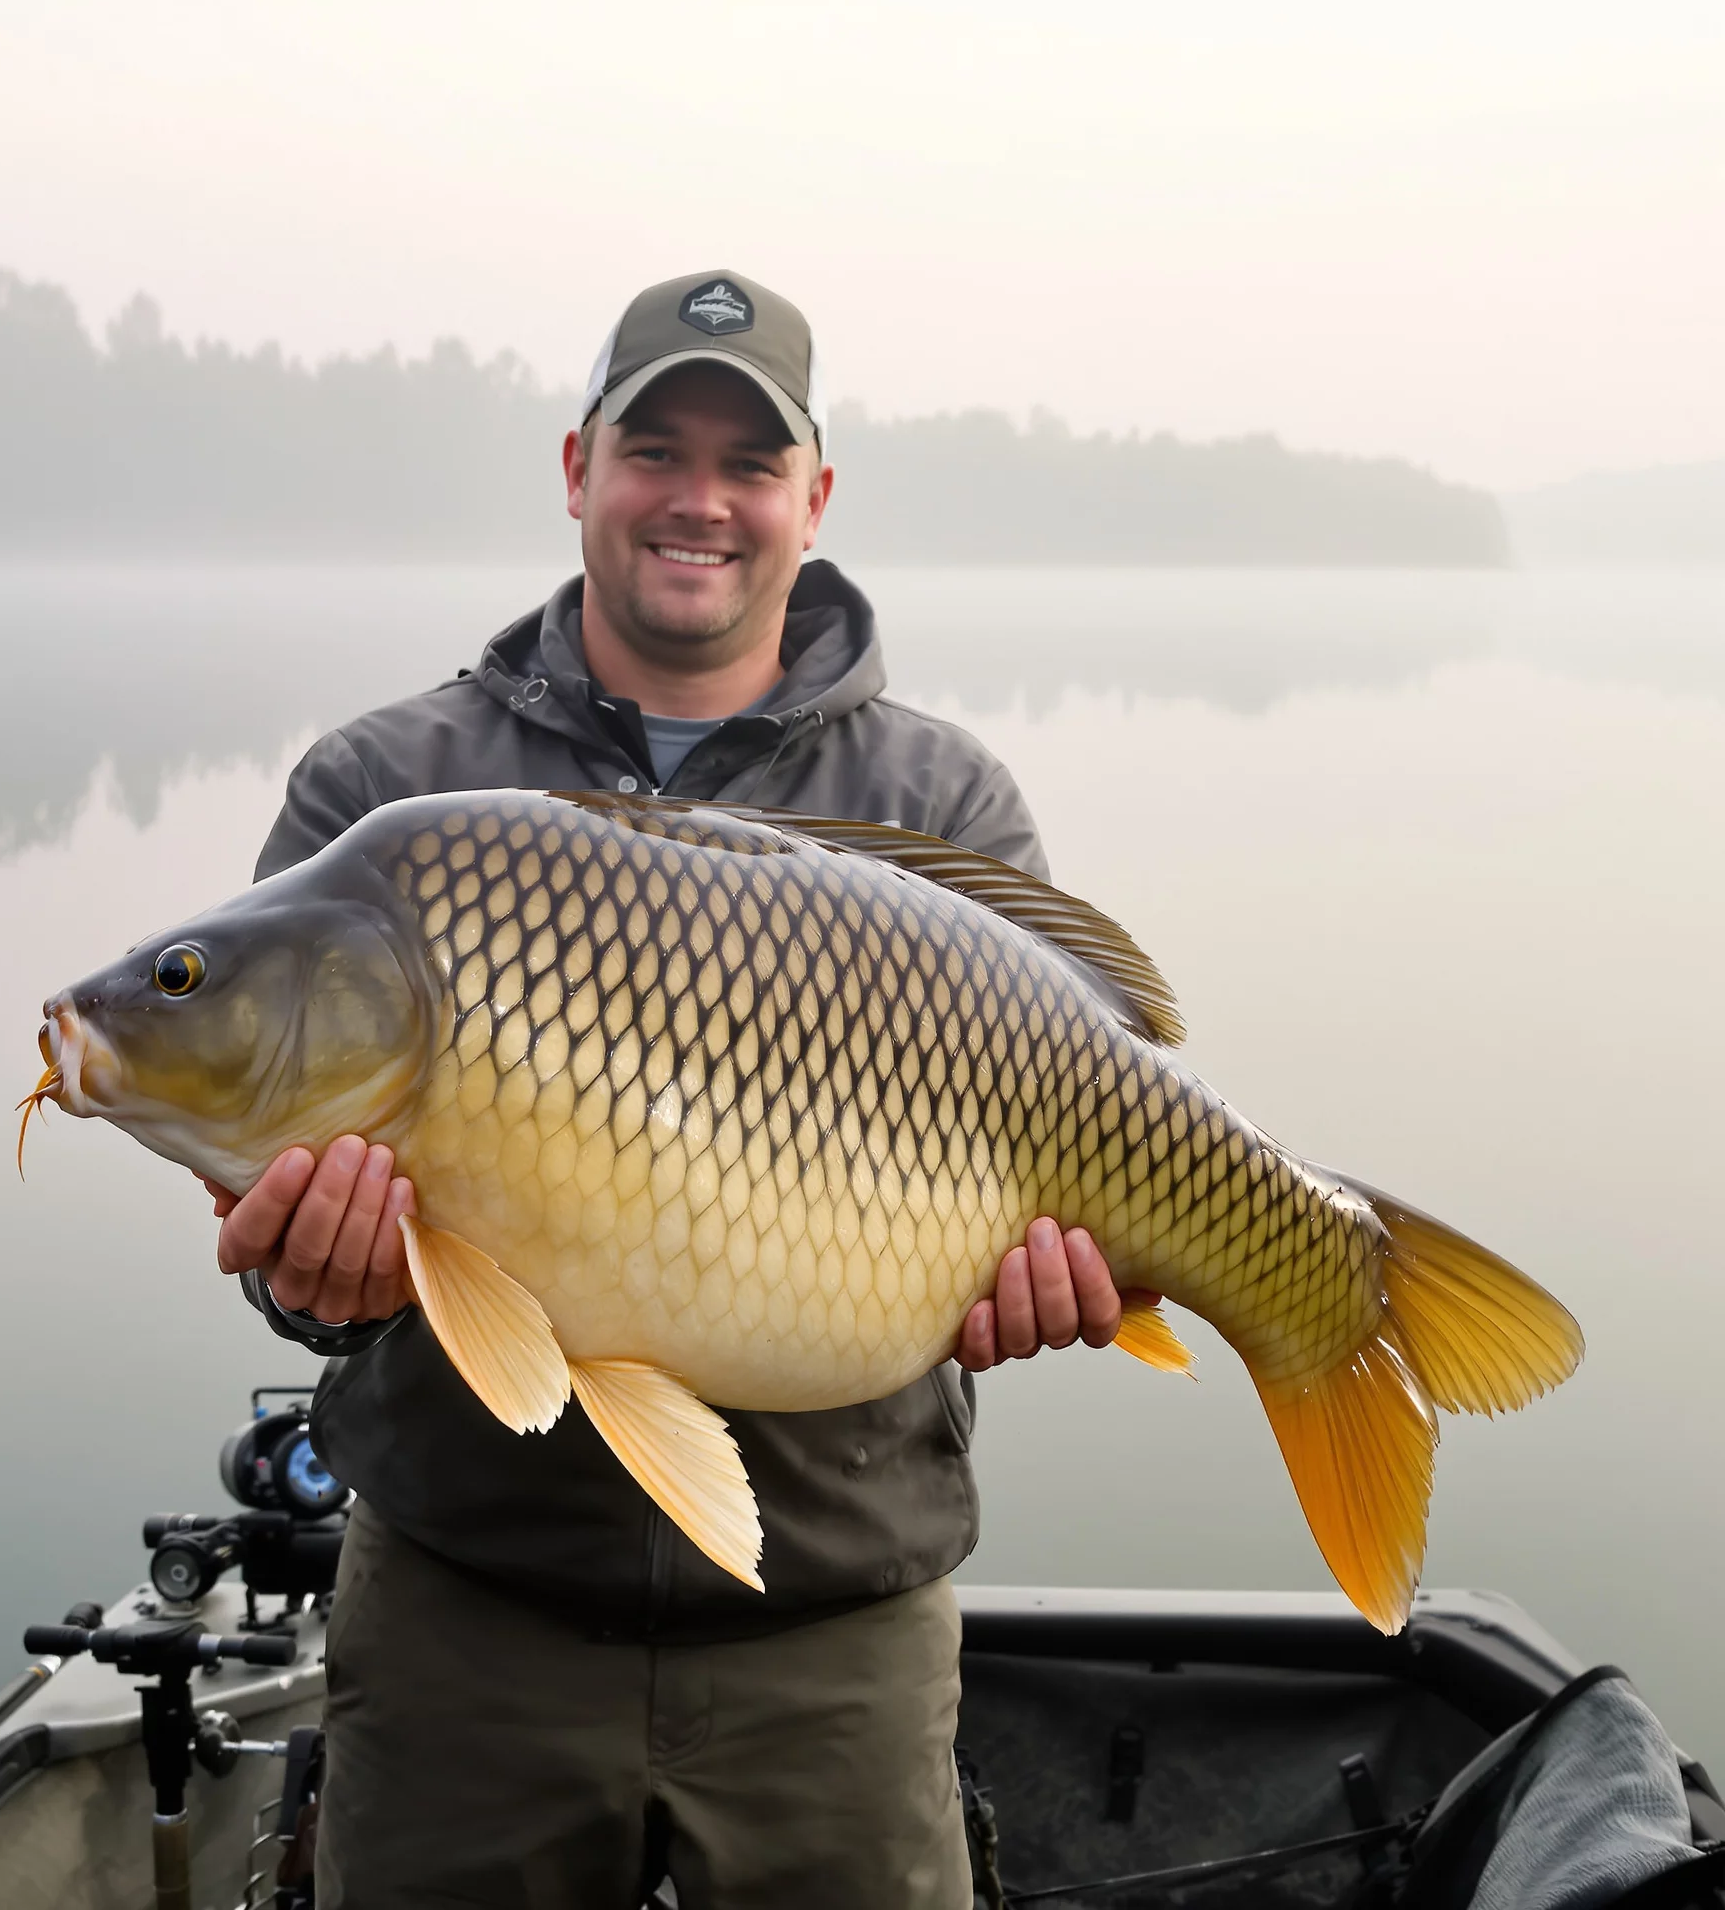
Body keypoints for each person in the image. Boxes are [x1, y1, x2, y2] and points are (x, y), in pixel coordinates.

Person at [205, 271, 1150, 1909]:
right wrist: (317, 1285)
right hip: (464, 1621)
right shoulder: (385, 792)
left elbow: (1037, 1177)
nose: (699, 499)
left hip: (833, 1629)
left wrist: (1061, 1288)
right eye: (656, 449)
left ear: (814, 498)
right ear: (578, 468)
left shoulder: (939, 799)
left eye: (749, 460)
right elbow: (294, 1255)